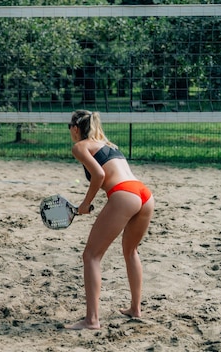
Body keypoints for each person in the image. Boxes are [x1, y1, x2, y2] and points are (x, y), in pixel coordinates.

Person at [65, 110, 154, 330]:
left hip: (124, 194)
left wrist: (86, 203)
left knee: (91, 256)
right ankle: (135, 308)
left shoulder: (80, 146)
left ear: (75, 128)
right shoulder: (107, 144)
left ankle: (91, 320)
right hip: (145, 194)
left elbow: (100, 176)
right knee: (131, 251)